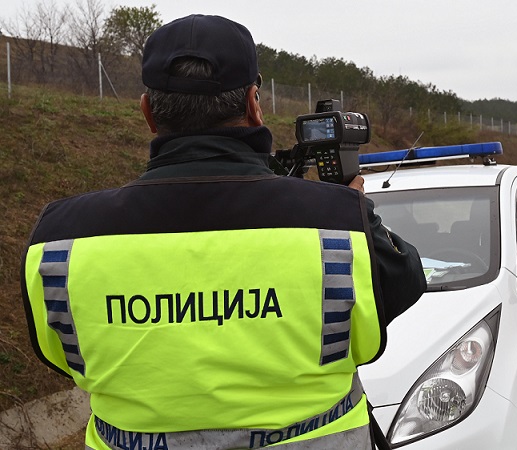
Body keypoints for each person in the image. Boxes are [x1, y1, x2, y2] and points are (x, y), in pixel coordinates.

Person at [20, 14, 426, 450]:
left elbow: (61, 357)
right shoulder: (338, 227)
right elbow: (404, 280)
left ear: (148, 113)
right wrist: (351, 208)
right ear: (254, 103)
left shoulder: (58, 242)